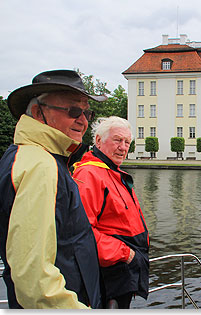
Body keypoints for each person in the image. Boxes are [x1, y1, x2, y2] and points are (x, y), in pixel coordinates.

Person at [0, 69, 107, 308]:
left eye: (86, 112)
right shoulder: (40, 165)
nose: (83, 120)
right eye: (74, 110)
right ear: (39, 113)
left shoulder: (29, 156)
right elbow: (36, 282)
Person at [72, 116, 149, 309]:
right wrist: (126, 254)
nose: (123, 147)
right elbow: (81, 232)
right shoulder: (89, 174)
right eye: (117, 140)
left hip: (122, 272)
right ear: (98, 140)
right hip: (110, 274)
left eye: (127, 142)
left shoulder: (110, 171)